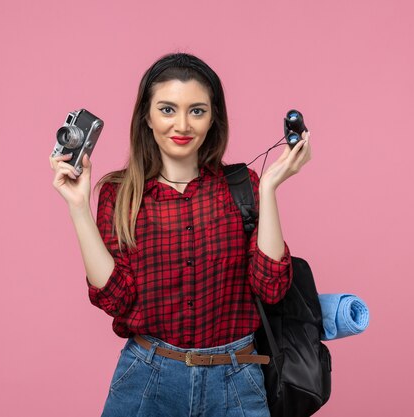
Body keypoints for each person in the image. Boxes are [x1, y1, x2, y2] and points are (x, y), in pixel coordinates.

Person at [49, 52, 311, 417]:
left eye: (197, 111)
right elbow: (115, 300)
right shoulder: (119, 193)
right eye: (168, 109)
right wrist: (77, 207)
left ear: (213, 116)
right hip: (146, 377)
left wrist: (268, 189)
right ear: (147, 116)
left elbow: (270, 287)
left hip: (236, 378)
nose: (183, 125)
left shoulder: (242, 187)